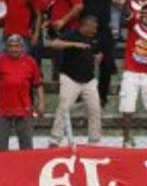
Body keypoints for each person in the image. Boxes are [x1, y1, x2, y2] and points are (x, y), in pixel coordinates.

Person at [45, 15, 105, 146]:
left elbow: (96, 52)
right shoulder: (71, 34)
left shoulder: (95, 38)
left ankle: (94, 140)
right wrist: (73, 44)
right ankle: (55, 139)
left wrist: (98, 56)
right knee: (64, 107)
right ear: (86, 26)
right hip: (70, 78)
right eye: (93, 28)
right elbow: (54, 44)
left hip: (89, 79)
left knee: (95, 109)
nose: (95, 31)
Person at [0, 35, 44, 151]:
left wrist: (41, 103)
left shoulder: (30, 62)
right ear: (6, 47)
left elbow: (38, 84)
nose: (13, 49)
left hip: (24, 109)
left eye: (16, 46)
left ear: (22, 47)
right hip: (3, 110)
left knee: (26, 146)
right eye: (10, 46)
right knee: (1, 146)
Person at [120, 3, 147, 146]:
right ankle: (126, 139)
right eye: (143, 13)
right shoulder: (134, 25)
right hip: (131, 73)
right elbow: (124, 9)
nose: (145, 16)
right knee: (127, 106)